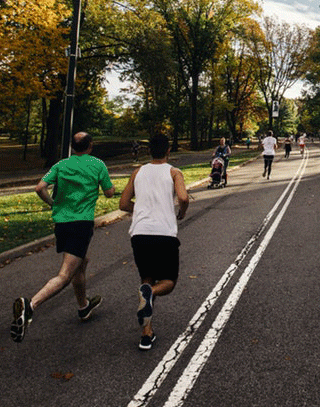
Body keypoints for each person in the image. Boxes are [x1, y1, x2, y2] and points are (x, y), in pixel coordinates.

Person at [10, 132, 115, 343]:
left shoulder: (61, 165)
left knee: (81, 263)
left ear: (72, 146)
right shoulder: (97, 164)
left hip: (62, 224)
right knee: (65, 274)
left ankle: (83, 307)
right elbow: (110, 193)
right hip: (81, 224)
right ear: (91, 146)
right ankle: (30, 306)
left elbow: (40, 187)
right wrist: (105, 187)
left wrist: (52, 203)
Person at [119, 132, 190, 351]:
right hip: (164, 233)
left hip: (140, 234)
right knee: (168, 281)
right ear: (169, 150)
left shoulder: (137, 172)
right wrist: (181, 212)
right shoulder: (174, 172)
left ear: (149, 150)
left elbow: (123, 203)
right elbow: (184, 198)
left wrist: (140, 209)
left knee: (147, 279)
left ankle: (146, 334)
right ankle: (152, 295)